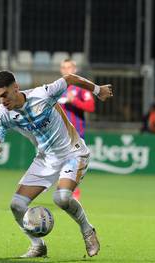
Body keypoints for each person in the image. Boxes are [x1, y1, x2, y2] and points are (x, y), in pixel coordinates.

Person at [0, 70, 112, 258]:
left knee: (61, 198)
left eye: (4, 95)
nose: (2, 101)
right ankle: (38, 245)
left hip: (73, 153)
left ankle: (87, 230)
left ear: (16, 88)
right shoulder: (4, 115)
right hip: (45, 159)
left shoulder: (43, 94)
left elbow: (69, 79)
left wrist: (97, 89)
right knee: (17, 205)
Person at [58, 58, 95, 200]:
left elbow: (91, 107)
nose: (66, 70)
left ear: (74, 69)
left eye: (69, 67)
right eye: (63, 68)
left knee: (72, 165)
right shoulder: (57, 88)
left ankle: (74, 194)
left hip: (76, 134)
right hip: (59, 135)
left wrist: (75, 101)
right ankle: (67, 192)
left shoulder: (81, 87)